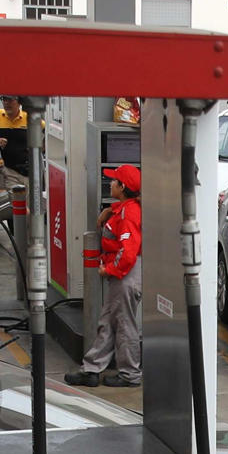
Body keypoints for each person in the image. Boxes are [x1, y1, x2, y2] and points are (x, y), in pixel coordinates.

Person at [66, 165, 143, 389]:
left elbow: (128, 251)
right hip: (123, 276)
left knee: (124, 324)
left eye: (114, 181)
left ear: (123, 187)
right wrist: (110, 211)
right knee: (108, 323)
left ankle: (130, 374)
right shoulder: (124, 209)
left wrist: (109, 270)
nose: (110, 183)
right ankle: (91, 369)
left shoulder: (129, 214)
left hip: (125, 277)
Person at [0, 95, 30, 197]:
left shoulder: (28, 117)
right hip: (10, 171)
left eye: (10, 100)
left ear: (19, 102)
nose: (6, 103)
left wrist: (42, 148)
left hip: (30, 171)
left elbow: (47, 132)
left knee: (30, 207)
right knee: (18, 205)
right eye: (4, 99)